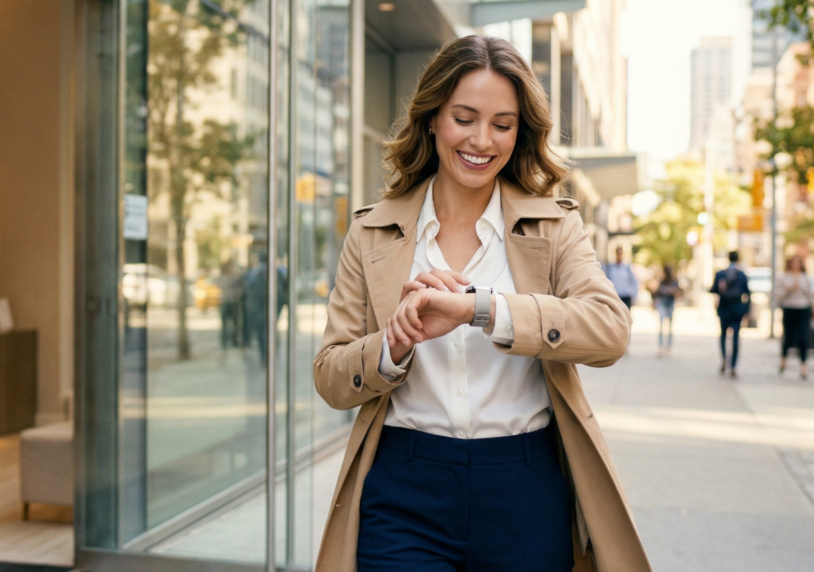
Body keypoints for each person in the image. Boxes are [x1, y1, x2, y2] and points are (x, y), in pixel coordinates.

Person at [312, 36, 651, 572]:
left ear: (520, 132)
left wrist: (481, 308)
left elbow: (610, 330)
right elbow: (331, 377)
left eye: (502, 124)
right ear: (432, 119)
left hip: (523, 487)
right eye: (464, 118)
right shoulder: (372, 232)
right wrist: (394, 344)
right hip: (404, 488)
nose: (481, 140)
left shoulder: (555, 226)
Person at [773, 255, 814, 380]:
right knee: (788, 337)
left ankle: (803, 366)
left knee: (803, 338)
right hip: (789, 308)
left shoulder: (805, 277)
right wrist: (789, 289)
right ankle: (783, 361)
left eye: (798, 263)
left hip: (803, 309)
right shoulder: (784, 277)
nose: (796, 265)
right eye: (793, 262)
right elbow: (777, 295)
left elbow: (811, 294)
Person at [709, 251, 751, 378]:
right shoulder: (741, 275)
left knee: (724, 335)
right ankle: (732, 365)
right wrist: (747, 310)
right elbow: (747, 294)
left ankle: (725, 360)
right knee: (735, 338)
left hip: (726, 308)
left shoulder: (721, 274)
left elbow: (713, 290)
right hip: (735, 308)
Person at [653, 264, 681, 353]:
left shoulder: (674, 282)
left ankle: (668, 345)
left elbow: (679, 292)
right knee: (661, 324)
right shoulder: (662, 282)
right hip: (662, 304)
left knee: (670, 326)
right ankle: (661, 345)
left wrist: (674, 292)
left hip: (670, 304)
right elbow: (657, 293)